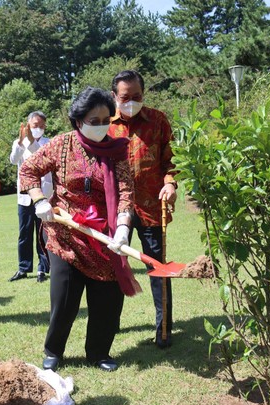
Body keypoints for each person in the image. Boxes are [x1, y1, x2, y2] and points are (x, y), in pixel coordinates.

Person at [19, 87, 139, 372]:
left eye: (104, 120)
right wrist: (38, 200)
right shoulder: (60, 145)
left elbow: (125, 191)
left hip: (104, 237)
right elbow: (28, 170)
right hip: (65, 234)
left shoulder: (116, 151)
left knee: (106, 298)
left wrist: (122, 226)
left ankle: (99, 352)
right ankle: (54, 351)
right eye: (93, 120)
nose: (99, 126)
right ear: (78, 121)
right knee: (64, 297)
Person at [108, 70, 178, 348]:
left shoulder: (158, 120)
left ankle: (164, 330)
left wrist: (170, 184)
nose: (131, 102)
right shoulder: (104, 123)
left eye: (137, 96)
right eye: (125, 98)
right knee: (113, 269)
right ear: (114, 97)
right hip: (115, 211)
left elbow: (171, 160)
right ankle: (108, 327)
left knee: (157, 268)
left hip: (152, 207)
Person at [8, 111, 52, 283]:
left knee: (42, 232)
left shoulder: (49, 143)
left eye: (41, 126)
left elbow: (42, 160)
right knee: (24, 232)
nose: (38, 129)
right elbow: (13, 160)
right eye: (35, 126)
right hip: (24, 195)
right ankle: (23, 268)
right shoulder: (19, 142)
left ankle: (43, 268)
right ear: (27, 125)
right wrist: (20, 143)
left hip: (43, 195)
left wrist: (33, 142)